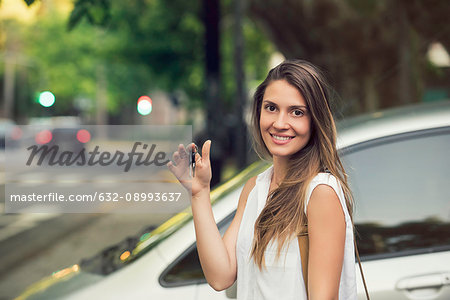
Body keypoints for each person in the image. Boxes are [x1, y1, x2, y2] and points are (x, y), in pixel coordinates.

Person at [167, 59, 357, 300]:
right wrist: (199, 193)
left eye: (296, 112)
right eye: (271, 108)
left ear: (315, 121)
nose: (279, 123)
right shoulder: (255, 189)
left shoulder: (320, 193)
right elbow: (220, 276)